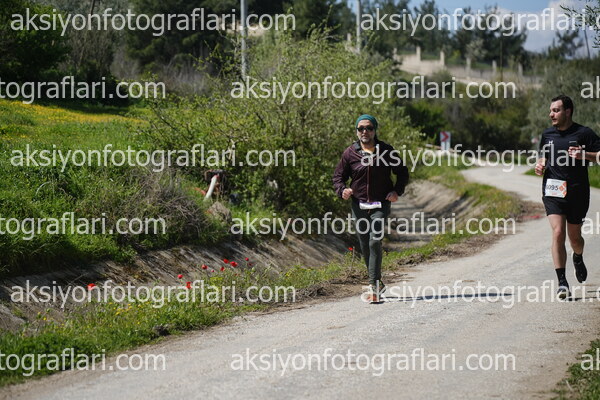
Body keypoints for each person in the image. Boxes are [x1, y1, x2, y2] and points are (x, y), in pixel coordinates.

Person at [333, 114, 409, 303]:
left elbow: (402, 172)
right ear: (356, 131)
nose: (365, 131)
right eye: (361, 128)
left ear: (375, 130)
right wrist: (342, 190)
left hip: (380, 203)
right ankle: (378, 283)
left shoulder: (387, 151)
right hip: (359, 204)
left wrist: (396, 191)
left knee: (375, 241)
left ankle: (373, 285)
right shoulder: (350, 153)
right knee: (365, 243)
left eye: (369, 128)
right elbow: (338, 177)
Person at [535, 95, 600, 299]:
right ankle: (562, 282)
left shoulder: (584, 133)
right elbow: (543, 156)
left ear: (568, 112)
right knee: (557, 233)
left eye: (556, 110)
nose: (551, 114)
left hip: (577, 192)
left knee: (575, 238)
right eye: (551, 110)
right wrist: (540, 164)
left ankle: (578, 257)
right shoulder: (547, 135)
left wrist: (584, 155)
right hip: (553, 191)